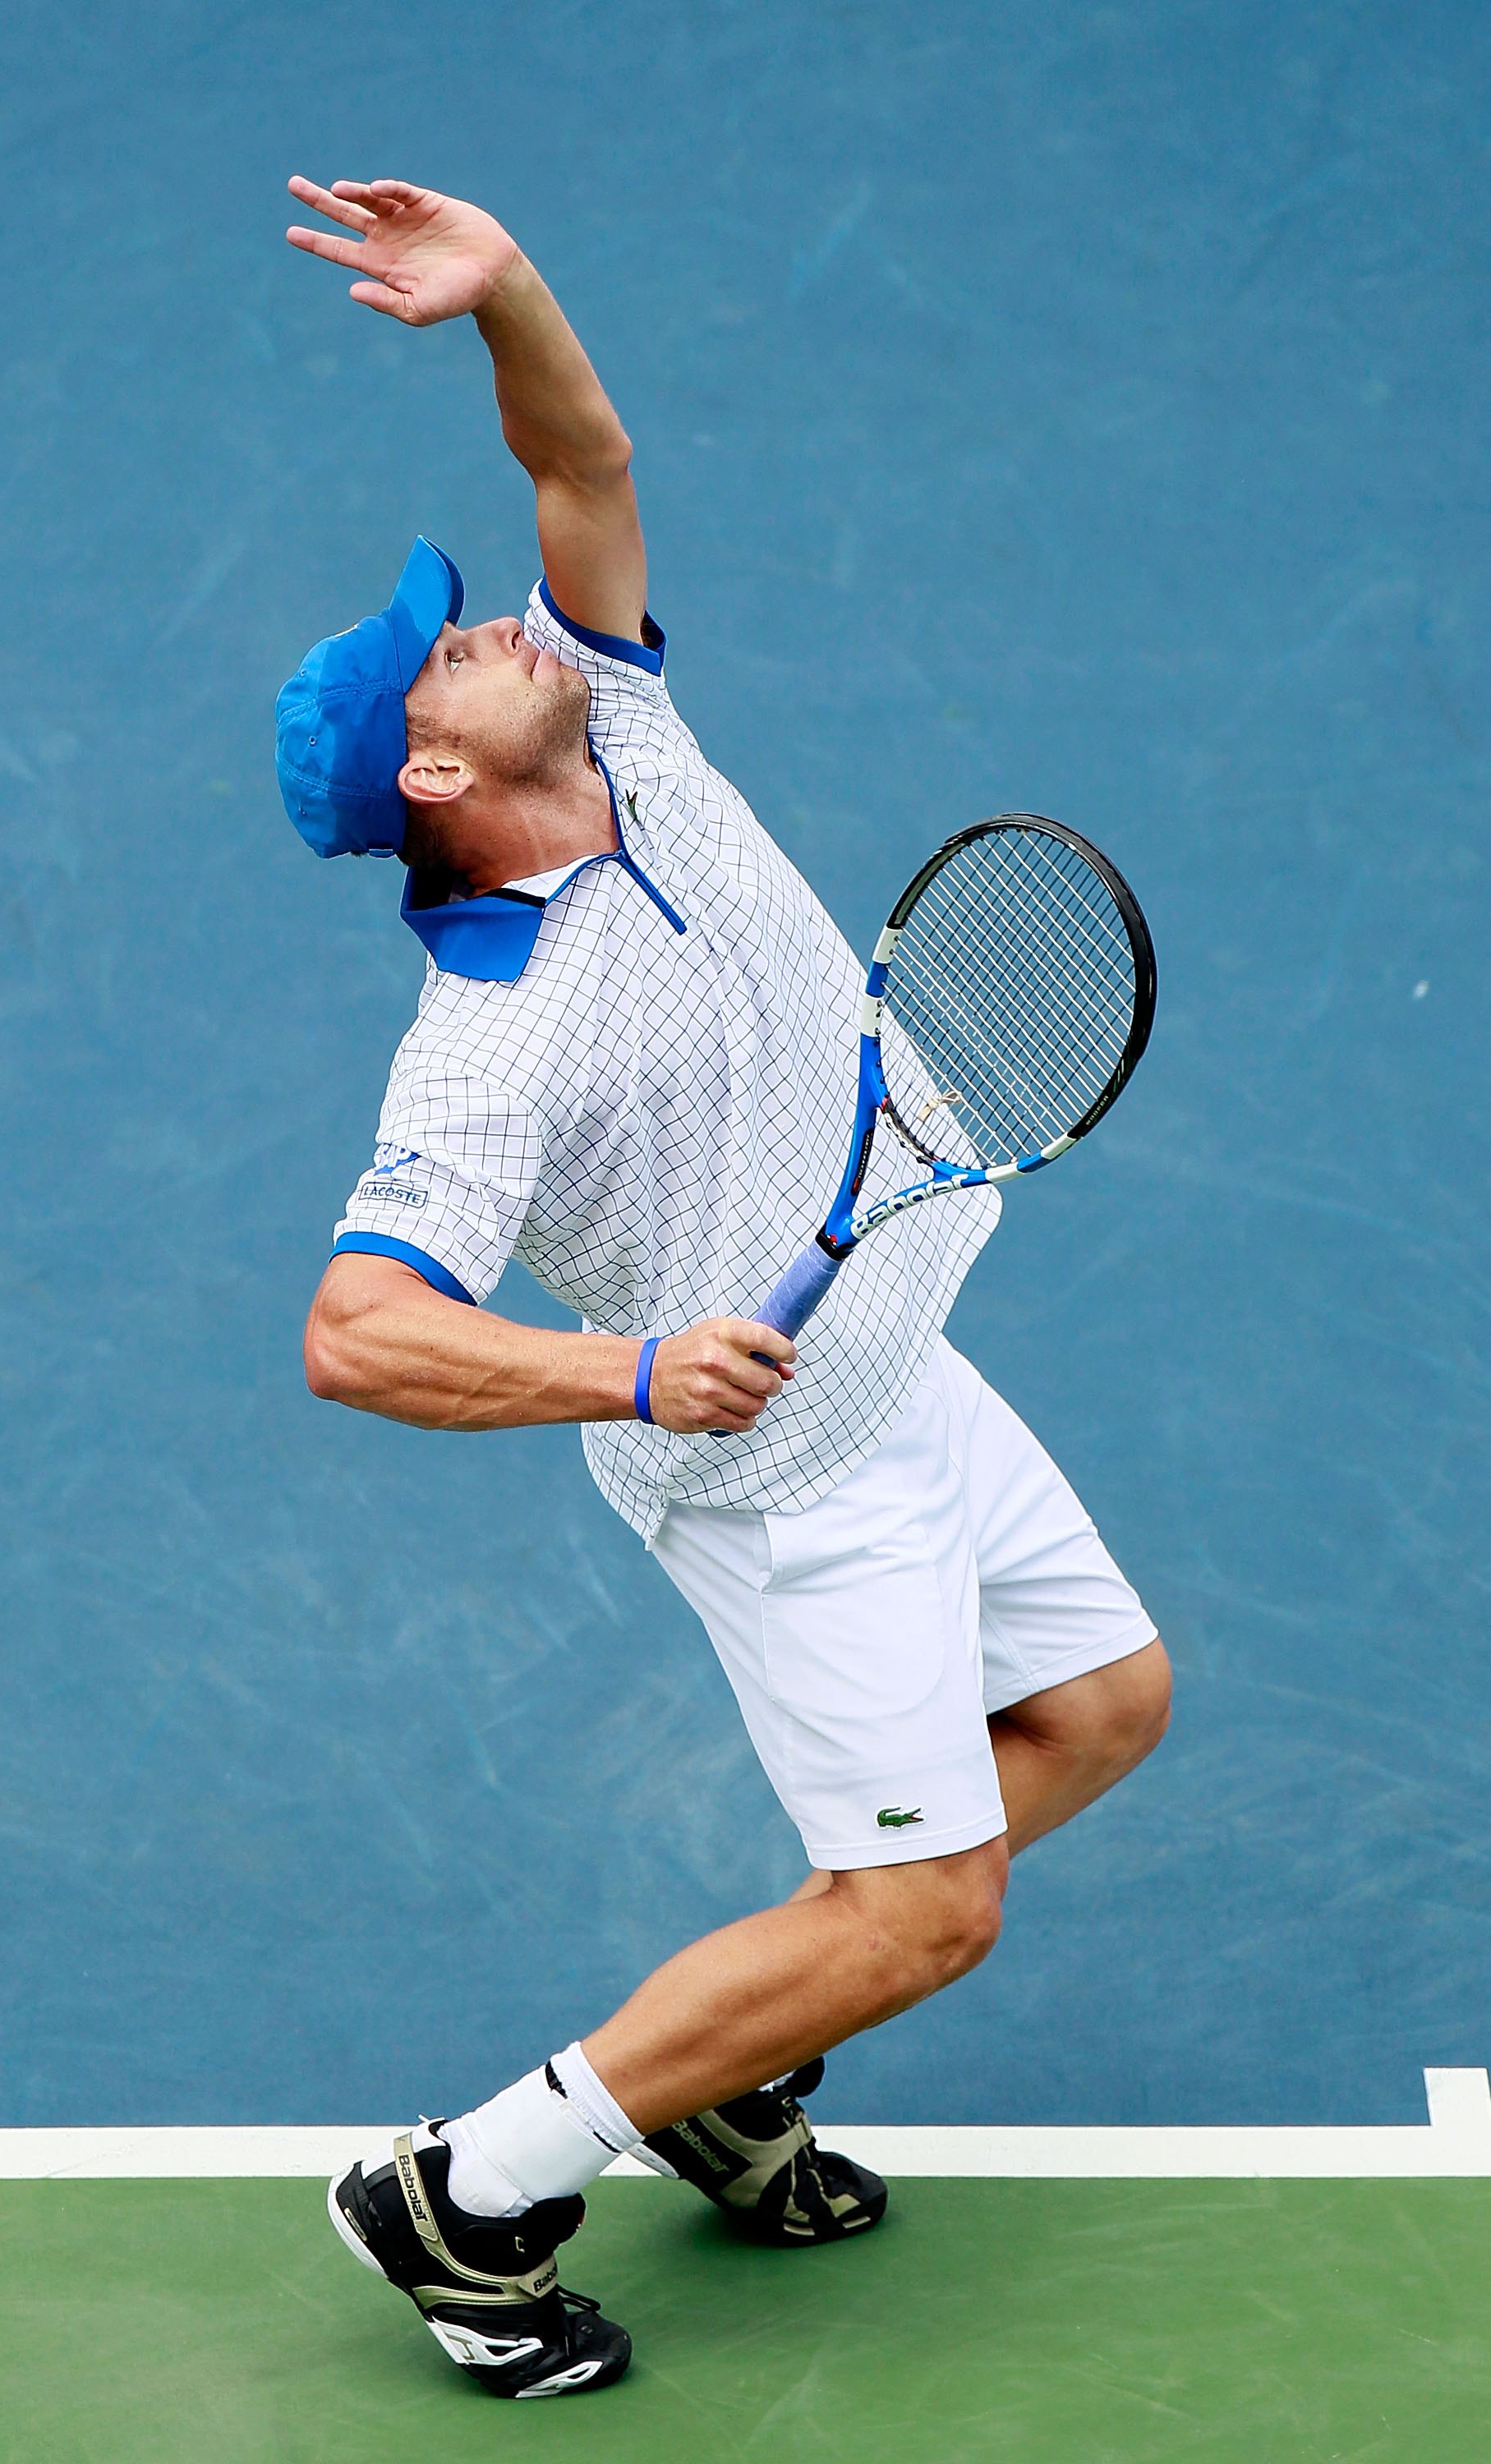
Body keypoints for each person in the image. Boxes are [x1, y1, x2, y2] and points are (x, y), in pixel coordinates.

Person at [276, 174, 1171, 2401]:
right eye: (452, 643)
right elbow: (355, 1329)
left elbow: (580, 460)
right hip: (781, 1468)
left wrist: (508, 292)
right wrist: (634, 1364)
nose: (496, 621)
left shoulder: (627, 743)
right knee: (924, 1911)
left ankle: (737, 2063)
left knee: (1100, 1710)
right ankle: (472, 2186)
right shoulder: (490, 1034)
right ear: (435, 769)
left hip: (898, 1369)